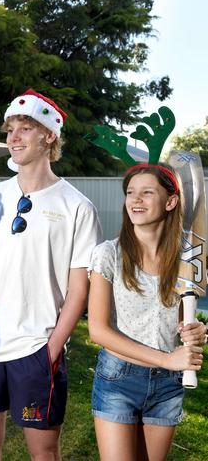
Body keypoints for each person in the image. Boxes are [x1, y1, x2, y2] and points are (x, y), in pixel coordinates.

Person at [0, 88, 102, 460]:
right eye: (10, 129)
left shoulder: (78, 207)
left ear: (49, 136)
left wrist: (51, 350)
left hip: (37, 349)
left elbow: (79, 291)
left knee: (43, 453)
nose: (13, 137)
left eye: (25, 128)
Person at [87, 163, 206, 460]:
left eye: (147, 192)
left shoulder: (187, 262)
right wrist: (168, 359)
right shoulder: (109, 254)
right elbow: (98, 330)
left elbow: (178, 321)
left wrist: (195, 331)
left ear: (170, 202)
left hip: (168, 384)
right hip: (118, 378)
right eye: (130, 193)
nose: (135, 199)